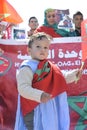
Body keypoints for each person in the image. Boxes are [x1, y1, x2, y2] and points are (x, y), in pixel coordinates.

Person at [15, 32, 82, 130]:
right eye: (38, 47)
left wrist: (73, 75)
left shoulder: (50, 66)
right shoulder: (26, 67)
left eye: (46, 48)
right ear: (29, 50)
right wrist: (40, 95)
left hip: (48, 107)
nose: (42, 50)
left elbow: (61, 78)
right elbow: (23, 88)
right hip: (32, 108)